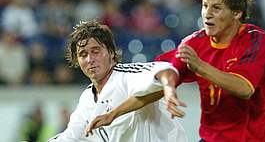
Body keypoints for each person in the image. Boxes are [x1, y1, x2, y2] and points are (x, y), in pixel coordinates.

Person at [156, 0, 265, 142]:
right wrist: (169, 87)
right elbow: (163, 70)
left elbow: (244, 89)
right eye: (205, 6)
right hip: (213, 138)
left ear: (237, 13)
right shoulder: (195, 42)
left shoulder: (255, 39)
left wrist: (199, 66)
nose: (207, 14)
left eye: (216, 8)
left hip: (257, 138)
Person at [48, 21, 187, 142]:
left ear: (112, 53)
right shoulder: (87, 99)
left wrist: (168, 88)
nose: (90, 59)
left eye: (95, 51)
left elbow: (166, 71)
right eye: (83, 54)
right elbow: (71, 137)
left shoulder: (126, 75)